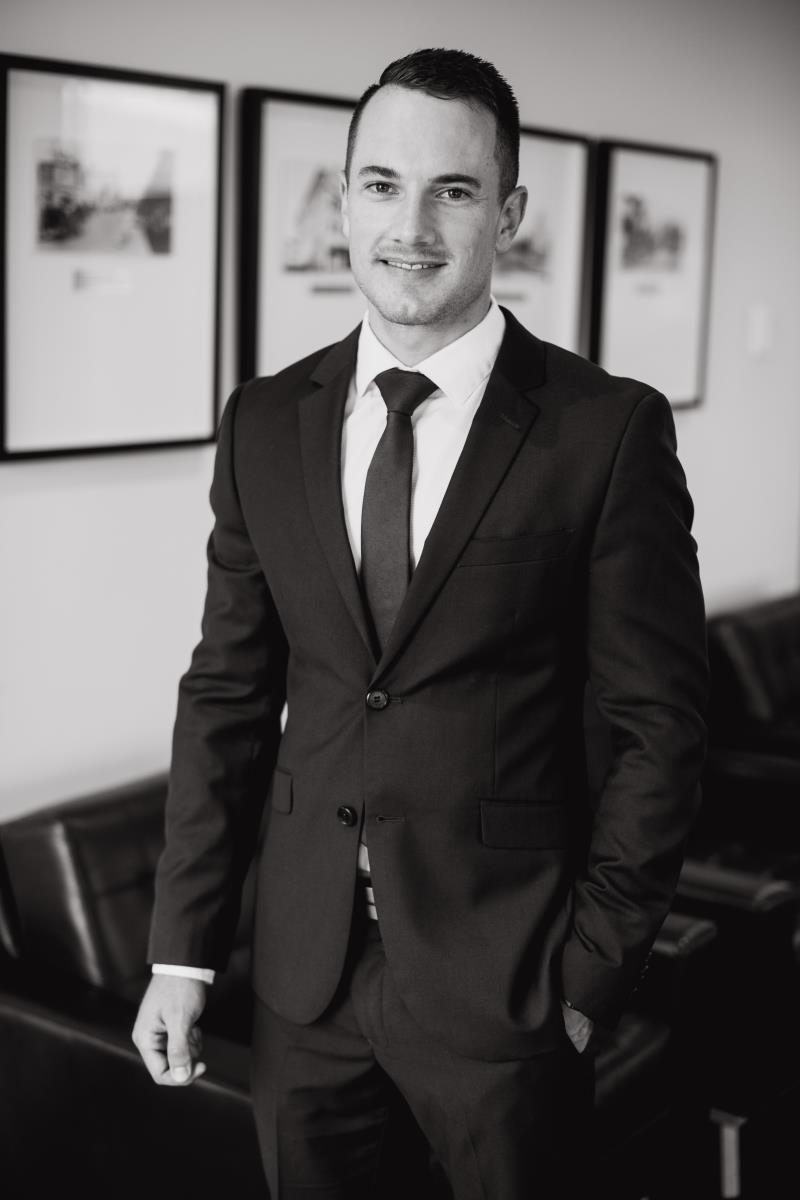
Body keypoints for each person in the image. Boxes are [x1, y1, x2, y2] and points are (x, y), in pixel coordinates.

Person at [133, 47, 708, 1199]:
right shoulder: (261, 422)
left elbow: (659, 728)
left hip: (507, 984)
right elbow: (228, 696)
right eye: (382, 185)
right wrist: (182, 953)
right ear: (344, 201)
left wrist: (586, 978)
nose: (410, 227)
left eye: (451, 190)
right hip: (302, 982)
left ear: (508, 213)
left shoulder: (604, 431)